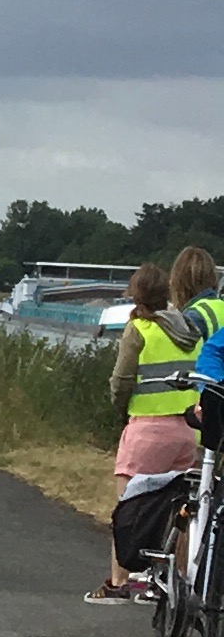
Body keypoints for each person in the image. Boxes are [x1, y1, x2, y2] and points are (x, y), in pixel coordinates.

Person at [93, 258, 222, 605]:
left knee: (128, 509)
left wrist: (120, 408)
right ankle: (168, 586)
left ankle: (121, 583)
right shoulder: (188, 329)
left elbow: (121, 381)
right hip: (186, 433)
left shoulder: (140, 330)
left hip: (147, 430)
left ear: (136, 299)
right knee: (180, 512)